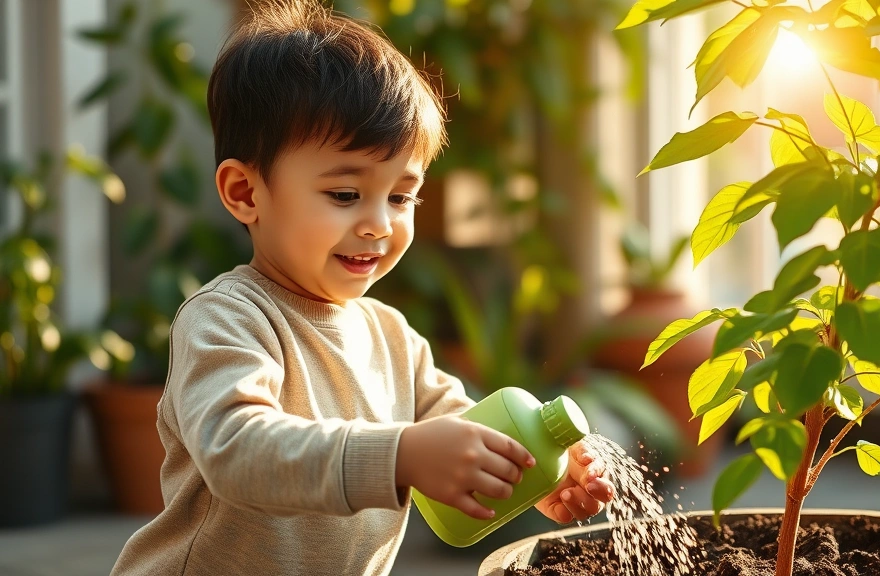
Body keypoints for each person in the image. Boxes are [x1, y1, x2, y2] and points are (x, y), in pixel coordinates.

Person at [110, 1, 614, 575]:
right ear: (246, 193)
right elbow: (236, 451)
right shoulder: (228, 319)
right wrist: (399, 454)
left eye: (401, 196)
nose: (380, 222)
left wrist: (524, 471)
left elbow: (460, 428)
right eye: (346, 195)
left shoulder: (391, 337)